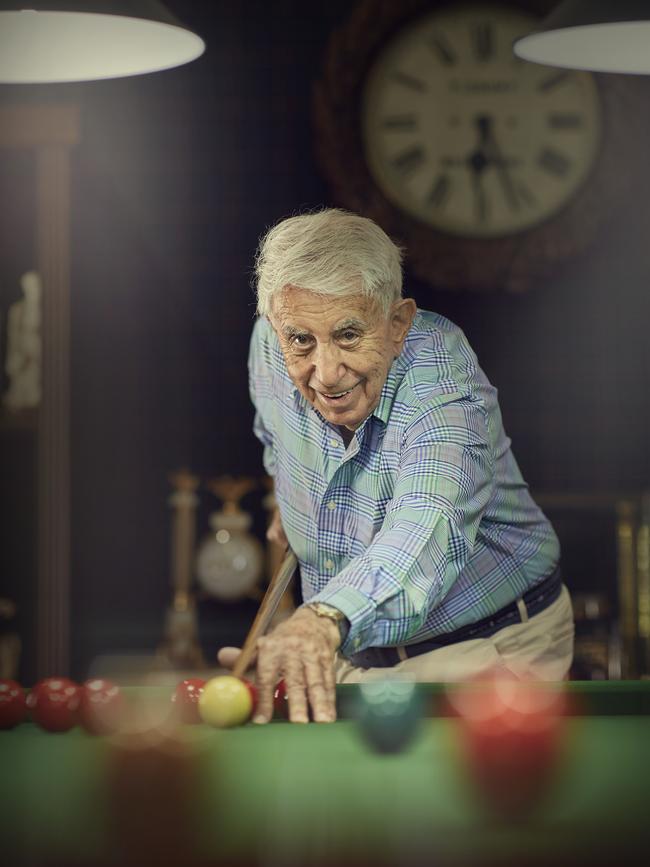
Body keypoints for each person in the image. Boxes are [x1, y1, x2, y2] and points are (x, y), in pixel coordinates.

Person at [219, 208, 573, 724]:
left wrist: (322, 619)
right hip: (351, 652)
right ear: (276, 325)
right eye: (300, 340)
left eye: (347, 335)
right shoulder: (268, 348)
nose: (326, 373)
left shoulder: (442, 381)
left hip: (485, 651)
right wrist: (288, 498)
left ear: (397, 322)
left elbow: (426, 524)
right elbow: (276, 437)